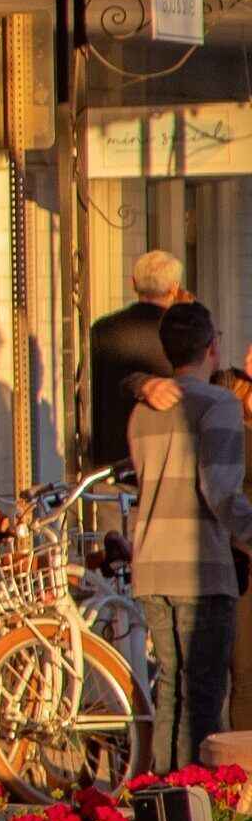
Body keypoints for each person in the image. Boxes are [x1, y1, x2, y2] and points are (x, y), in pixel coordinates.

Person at [126, 301, 252, 768]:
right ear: (213, 347)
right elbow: (219, 492)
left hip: (153, 563)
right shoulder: (219, 404)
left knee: (170, 694)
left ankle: (162, 798)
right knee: (203, 697)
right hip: (201, 569)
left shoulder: (142, 412)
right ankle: (197, 805)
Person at [86, 249, 192, 473]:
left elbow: (87, 391)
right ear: (175, 288)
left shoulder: (102, 330)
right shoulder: (183, 332)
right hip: (166, 465)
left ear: (133, 283)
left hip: (112, 462)